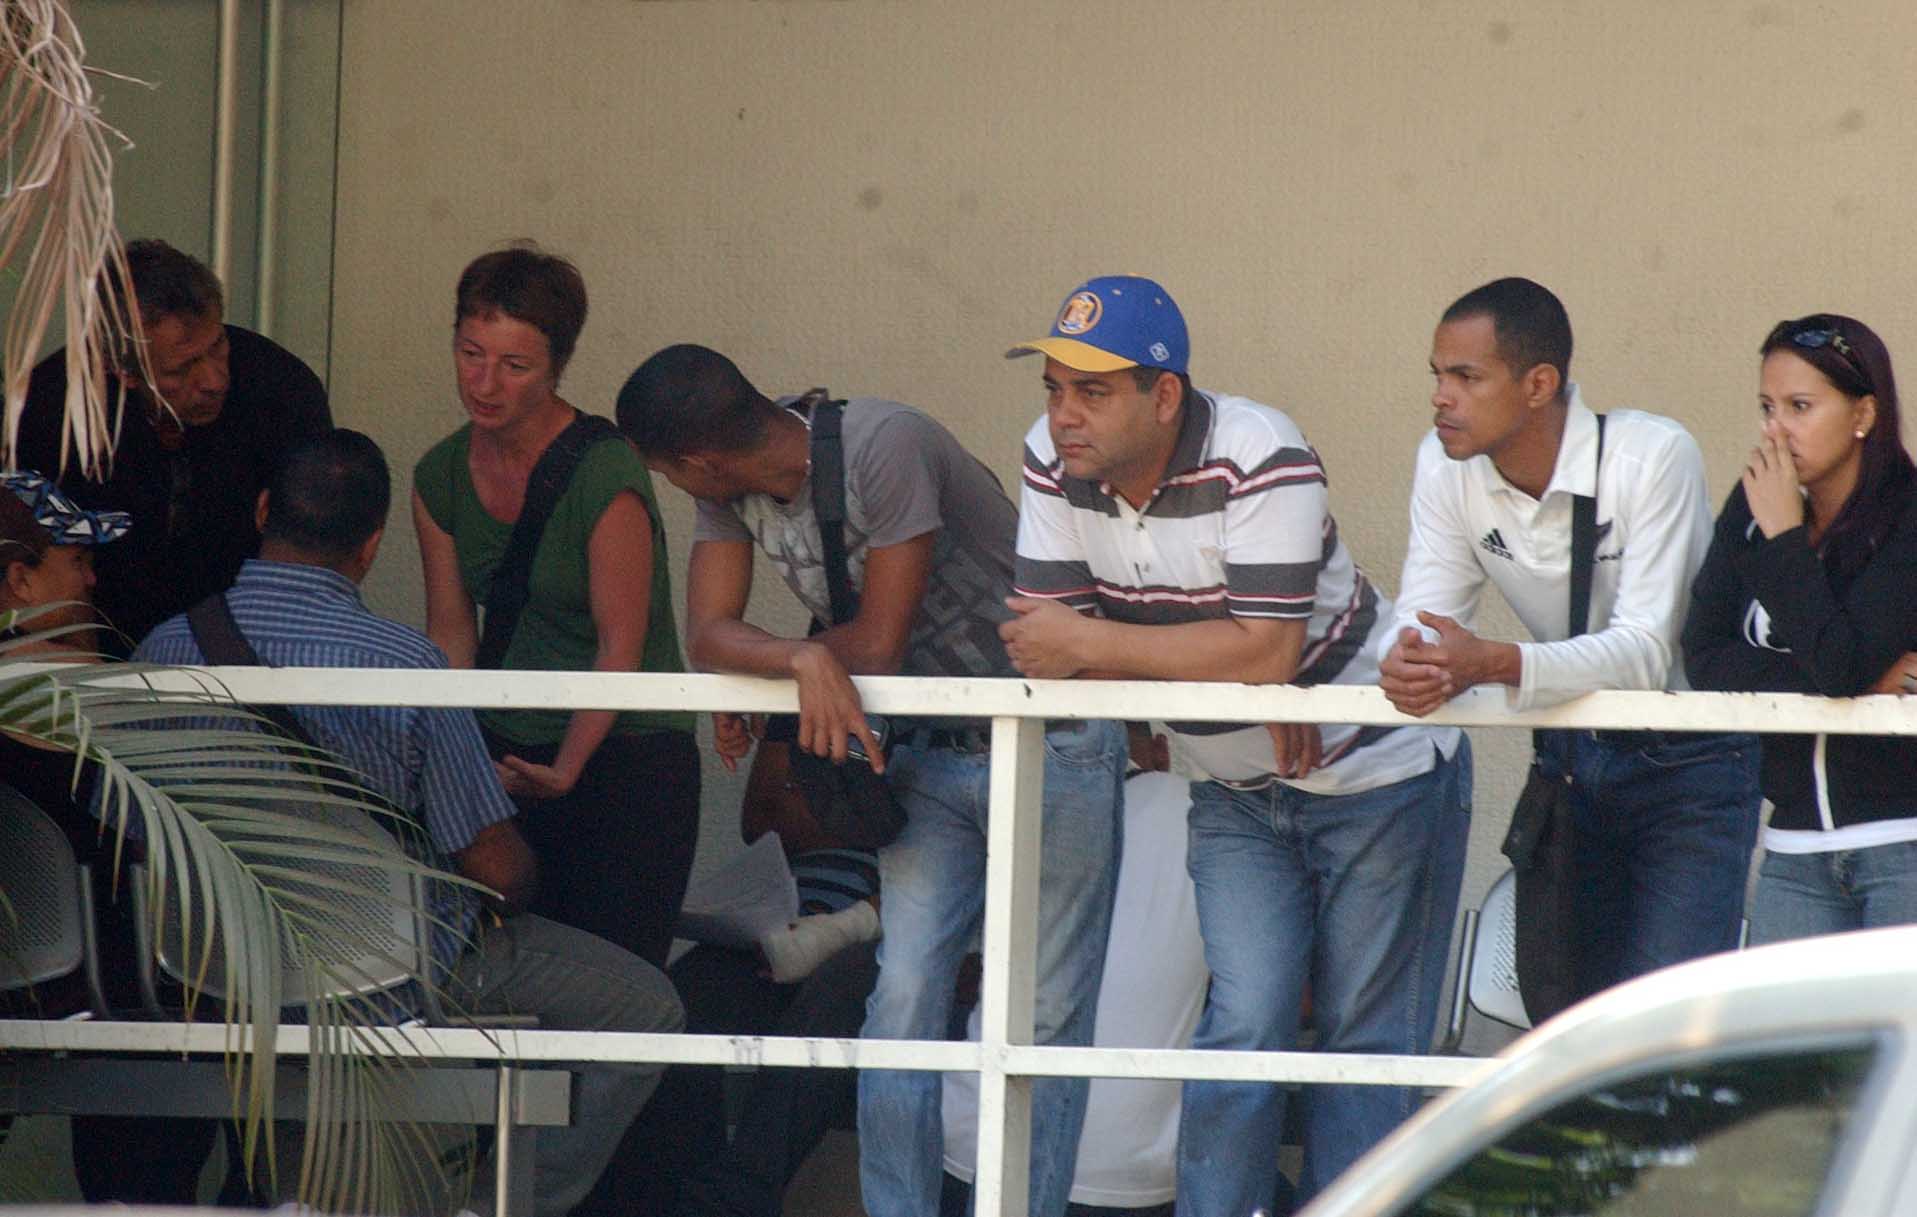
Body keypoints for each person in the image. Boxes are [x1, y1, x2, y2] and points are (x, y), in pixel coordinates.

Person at [615, 343, 1125, 1217]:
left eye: (665, 473)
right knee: (900, 1001)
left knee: (1044, 1013)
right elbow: (709, 633)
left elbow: (881, 638)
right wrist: (796, 658)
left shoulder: (882, 443)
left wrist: (782, 670)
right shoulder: (731, 486)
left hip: (1055, 738)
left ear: (694, 463)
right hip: (924, 755)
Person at [1000, 275, 1470, 1214]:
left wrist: (1129, 646)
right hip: (1234, 785)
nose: (1063, 416)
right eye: (1053, 389)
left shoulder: (1259, 448)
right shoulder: (1050, 460)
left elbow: (1258, 648)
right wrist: (1231, 678)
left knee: (1365, 1046)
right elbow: (1040, 652)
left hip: (1374, 773)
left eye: (1091, 392)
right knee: (1241, 1029)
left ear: (1163, 395)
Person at [137, 428, 684, 1217]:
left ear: (263, 511)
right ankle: (486, 1204)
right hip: (390, 973)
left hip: (220, 975)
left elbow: (127, 828)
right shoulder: (404, 664)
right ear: (372, 543)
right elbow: (494, 871)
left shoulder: (164, 648)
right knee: (647, 1008)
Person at [1381, 276, 1761, 1001]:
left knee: (1666, 1022)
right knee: (1564, 1016)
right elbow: (1421, 617)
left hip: (1688, 761)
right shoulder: (1441, 462)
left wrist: (1489, 662)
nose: (1440, 396)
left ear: (1538, 384)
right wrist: (1407, 663)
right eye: (1436, 374)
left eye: (1465, 375)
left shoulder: (1650, 454)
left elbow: (1646, 651)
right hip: (1566, 759)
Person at [412, 245, 698, 970]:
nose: (484, 382)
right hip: (506, 750)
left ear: (557, 365)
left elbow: (620, 645)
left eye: (515, 365)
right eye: (470, 353)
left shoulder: (605, 470)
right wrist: (455, 763)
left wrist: (568, 767)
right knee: (502, 974)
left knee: (616, 982)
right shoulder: (439, 473)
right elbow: (451, 635)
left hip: (624, 754)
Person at [1684, 315, 1917, 944]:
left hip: (1903, 845)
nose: (1775, 429)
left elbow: (1840, 662)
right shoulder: (1755, 502)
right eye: (1766, 407)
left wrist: (1787, 539)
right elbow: (1704, 659)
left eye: (1800, 406)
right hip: (1791, 850)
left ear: (1863, 413)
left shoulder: (1908, 515)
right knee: (1789, 1046)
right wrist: (1858, 688)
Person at [11, 237, 332, 654]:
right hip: (91, 666)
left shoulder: (282, 391)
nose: (215, 380)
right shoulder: (51, 411)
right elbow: (26, 567)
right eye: (182, 368)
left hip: (254, 658)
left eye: (217, 346)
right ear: (121, 371)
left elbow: (314, 552)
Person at [941, 730, 1206, 1217]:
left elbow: (958, 966)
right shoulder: (1211, 826)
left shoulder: (1028, 805)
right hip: (1131, 1176)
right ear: (1163, 754)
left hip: (975, 1147)